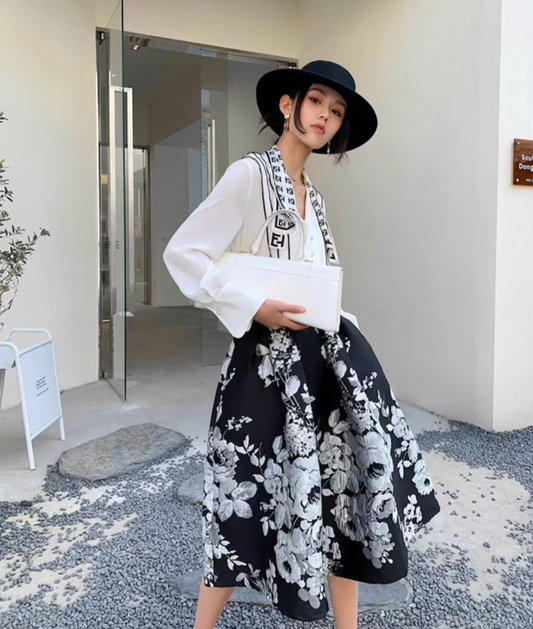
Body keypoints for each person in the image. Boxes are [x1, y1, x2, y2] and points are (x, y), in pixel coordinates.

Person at [163, 60, 440, 629]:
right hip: (264, 366)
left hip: (324, 366)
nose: (325, 117)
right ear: (287, 105)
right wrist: (251, 305)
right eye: (316, 101)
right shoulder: (248, 175)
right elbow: (184, 254)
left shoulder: (313, 197)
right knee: (243, 499)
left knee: (342, 501)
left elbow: (319, 284)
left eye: (336, 112)